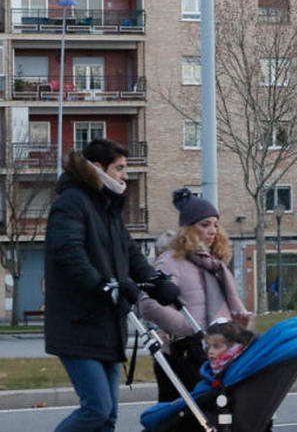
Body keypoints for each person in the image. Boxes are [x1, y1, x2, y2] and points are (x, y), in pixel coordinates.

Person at [44, 139, 181, 432]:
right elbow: (68, 252)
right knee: (96, 409)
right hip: (78, 325)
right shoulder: (72, 203)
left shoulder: (108, 209)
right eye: (119, 168)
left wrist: (155, 282)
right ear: (97, 168)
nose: (125, 175)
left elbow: (131, 254)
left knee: (108, 418)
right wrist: (103, 285)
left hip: (108, 324)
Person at [140, 188, 252, 402]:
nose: (213, 231)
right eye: (205, 224)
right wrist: (191, 330)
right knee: (180, 419)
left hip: (217, 354)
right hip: (182, 357)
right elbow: (149, 304)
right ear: (189, 229)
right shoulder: (171, 261)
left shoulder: (215, 265)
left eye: (216, 225)